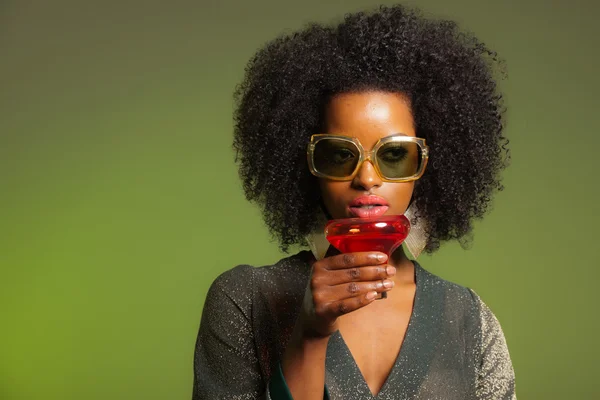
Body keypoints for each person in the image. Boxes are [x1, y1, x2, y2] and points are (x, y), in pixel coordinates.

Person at [192, 4, 516, 399]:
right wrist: (310, 337)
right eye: (340, 154)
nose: (366, 178)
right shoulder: (246, 299)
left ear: (428, 165)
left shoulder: (469, 320)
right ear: (307, 163)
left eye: (394, 154)